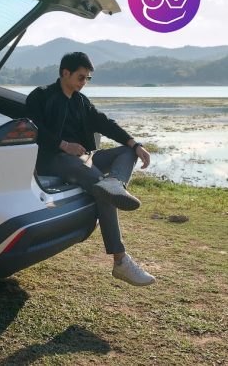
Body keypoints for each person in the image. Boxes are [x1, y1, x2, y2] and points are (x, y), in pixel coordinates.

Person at [26, 52, 155, 286]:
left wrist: (135, 144)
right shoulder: (42, 95)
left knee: (127, 153)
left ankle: (115, 182)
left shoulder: (81, 102)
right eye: (81, 77)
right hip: (53, 159)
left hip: (84, 158)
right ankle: (120, 260)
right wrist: (64, 145)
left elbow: (105, 123)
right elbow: (32, 128)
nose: (84, 82)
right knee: (103, 191)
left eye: (87, 78)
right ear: (65, 73)